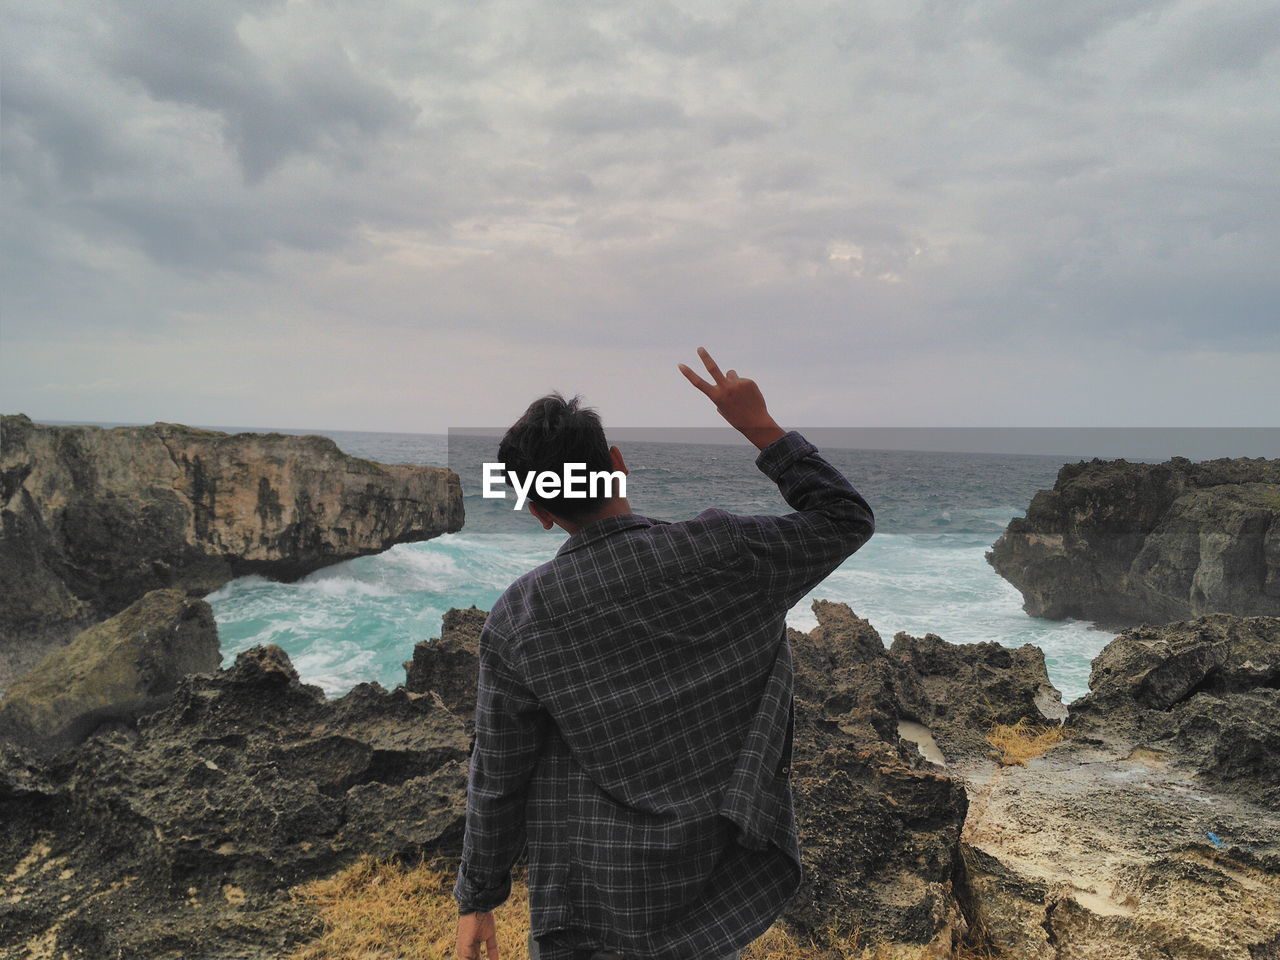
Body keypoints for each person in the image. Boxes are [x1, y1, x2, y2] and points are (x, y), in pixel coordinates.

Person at [454, 347, 875, 960]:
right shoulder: (727, 554)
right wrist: (756, 424)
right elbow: (845, 517)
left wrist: (478, 899)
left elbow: (498, 774)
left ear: (540, 513)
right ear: (617, 467)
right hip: (711, 888)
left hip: (590, 900)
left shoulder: (519, 618)